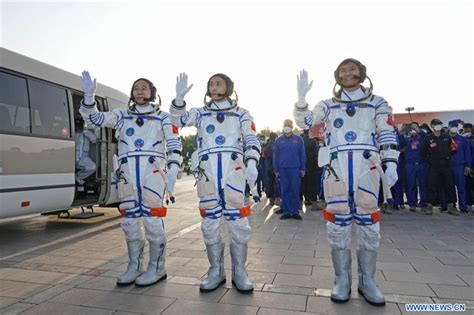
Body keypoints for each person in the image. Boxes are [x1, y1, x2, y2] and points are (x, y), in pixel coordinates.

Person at [293, 59, 399, 306]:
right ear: (336, 76)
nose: (347, 73)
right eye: (343, 70)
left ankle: (367, 280)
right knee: (338, 223)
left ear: (361, 74)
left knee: (368, 222)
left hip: (367, 166)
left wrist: (391, 162)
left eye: (352, 69)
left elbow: (386, 132)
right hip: (337, 167)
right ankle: (341, 279)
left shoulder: (377, 103)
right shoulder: (328, 105)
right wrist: (300, 98)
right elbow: (305, 122)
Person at [80, 72, 182, 287]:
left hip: (152, 172)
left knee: (153, 220)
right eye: (136, 87)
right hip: (127, 173)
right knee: (129, 221)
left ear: (152, 92)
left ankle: (157, 267)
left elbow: (173, 142)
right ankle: (134, 265)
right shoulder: (121, 115)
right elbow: (95, 119)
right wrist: (89, 98)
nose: (140, 90)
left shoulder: (163, 117)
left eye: (144, 87)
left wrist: (173, 168)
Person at [169, 72, 260, 293]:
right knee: (210, 225)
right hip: (208, 174)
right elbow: (177, 121)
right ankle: (216, 270)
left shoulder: (241, 113)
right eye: (210, 83)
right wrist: (179, 99)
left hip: (234, 173)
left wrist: (252, 161)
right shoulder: (200, 113)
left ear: (228, 87)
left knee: (238, 224)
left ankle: (240, 271)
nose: (213, 86)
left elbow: (251, 138)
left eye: (218, 83)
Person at [421, 118, 458, 215]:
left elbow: (454, 149)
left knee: (450, 186)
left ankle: (451, 207)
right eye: (437, 124)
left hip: (446, 165)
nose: (439, 126)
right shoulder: (428, 138)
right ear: (432, 126)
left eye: (440, 124)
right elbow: (423, 152)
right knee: (431, 186)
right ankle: (429, 206)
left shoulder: (447, 137)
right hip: (434, 166)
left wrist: (448, 157)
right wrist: (430, 161)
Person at [273, 120, 306, 220]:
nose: (287, 127)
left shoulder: (298, 139)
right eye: (285, 125)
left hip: (295, 169)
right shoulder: (278, 140)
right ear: (283, 127)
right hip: (282, 170)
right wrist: (276, 170)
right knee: (285, 191)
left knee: (295, 191)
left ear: (292, 127)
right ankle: (287, 211)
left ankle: (295, 211)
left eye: (289, 125)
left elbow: (302, 155)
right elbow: (275, 156)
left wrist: (303, 168)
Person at [399, 122, 428, 211]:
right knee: (411, 185)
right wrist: (402, 132)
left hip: (421, 164)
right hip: (410, 164)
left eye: (415, 127)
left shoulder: (422, 138)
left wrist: (418, 131)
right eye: (411, 128)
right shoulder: (407, 139)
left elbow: (427, 137)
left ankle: (424, 204)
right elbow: (400, 142)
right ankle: (412, 204)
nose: (413, 129)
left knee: (423, 185)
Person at [448, 120, 472, 213]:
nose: (454, 128)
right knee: (450, 187)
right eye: (452, 126)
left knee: (461, 187)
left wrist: (468, 165)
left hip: (460, 166)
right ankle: (451, 206)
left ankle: (463, 207)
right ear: (449, 127)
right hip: (448, 167)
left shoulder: (463, 139)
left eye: (455, 126)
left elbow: (467, 153)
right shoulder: (445, 139)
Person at [75, 118, 97, 185]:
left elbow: (94, 140)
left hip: (84, 157)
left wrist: (85, 131)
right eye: (77, 124)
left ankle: (78, 176)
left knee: (92, 167)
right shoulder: (73, 133)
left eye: (81, 124)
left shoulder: (87, 133)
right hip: (72, 156)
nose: (79, 125)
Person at [301, 129, 319, 208]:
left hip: (302, 166)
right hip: (311, 166)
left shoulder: (301, 140)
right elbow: (315, 154)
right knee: (311, 184)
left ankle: (305, 200)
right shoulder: (313, 141)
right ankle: (313, 203)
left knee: (303, 184)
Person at [462, 123, 474, 212]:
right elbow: (467, 154)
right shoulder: (465, 139)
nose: (467, 132)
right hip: (468, 166)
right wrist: (468, 166)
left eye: (469, 130)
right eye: (466, 130)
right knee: (467, 186)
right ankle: (468, 204)